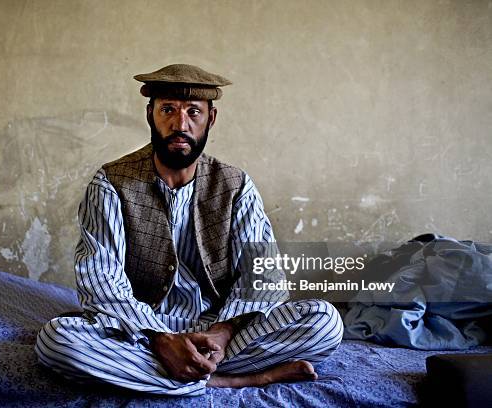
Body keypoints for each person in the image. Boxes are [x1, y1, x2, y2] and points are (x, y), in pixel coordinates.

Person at [35, 64, 343, 396]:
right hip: (141, 330)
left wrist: (222, 333)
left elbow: (262, 277)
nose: (180, 124)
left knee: (325, 321)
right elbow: (101, 279)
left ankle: (171, 372)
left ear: (210, 119)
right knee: (56, 340)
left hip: (219, 331)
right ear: (150, 114)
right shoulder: (111, 182)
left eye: (193, 112)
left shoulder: (235, 185)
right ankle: (232, 380)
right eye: (168, 109)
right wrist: (160, 338)